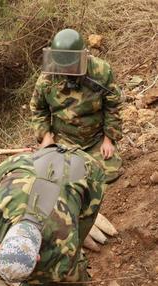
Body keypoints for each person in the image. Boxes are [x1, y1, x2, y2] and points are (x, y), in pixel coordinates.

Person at [0, 145, 106, 286]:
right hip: (24, 164)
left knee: (77, 234)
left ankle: (79, 264)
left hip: (82, 169)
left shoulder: (62, 248)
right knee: (3, 181)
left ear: (38, 257)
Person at [30, 28, 123, 183]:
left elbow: (113, 104)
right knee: (55, 177)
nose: (67, 70)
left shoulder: (101, 70)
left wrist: (109, 139)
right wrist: (46, 138)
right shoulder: (46, 80)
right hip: (64, 140)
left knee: (107, 175)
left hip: (96, 139)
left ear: (82, 57)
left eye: (71, 65)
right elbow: (38, 109)